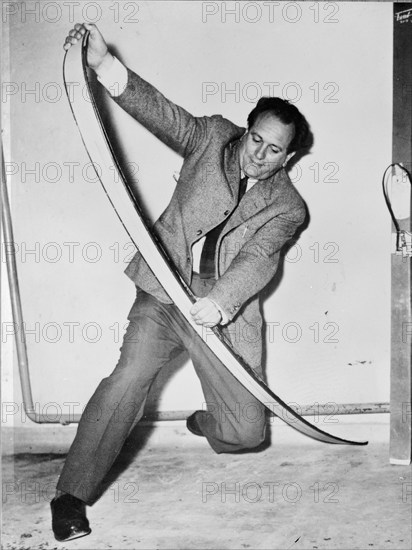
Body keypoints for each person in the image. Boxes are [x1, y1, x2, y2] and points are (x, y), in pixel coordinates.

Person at [51, 22, 310, 542]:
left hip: (221, 314)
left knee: (246, 433)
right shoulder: (212, 137)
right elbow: (164, 115)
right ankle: (70, 496)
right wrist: (106, 66)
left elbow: (259, 259)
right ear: (245, 129)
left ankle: (204, 423)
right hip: (164, 293)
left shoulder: (288, 207)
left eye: (274, 150)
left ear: (291, 158)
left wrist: (218, 302)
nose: (258, 154)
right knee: (127, 380)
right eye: (256, 139)